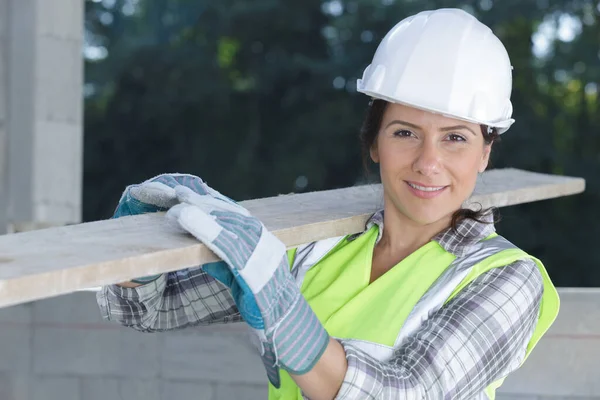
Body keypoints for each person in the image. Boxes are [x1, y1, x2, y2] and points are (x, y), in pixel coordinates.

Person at [97, 8, 559, 400]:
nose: (428, 162)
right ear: (374, 142)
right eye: (405, 133)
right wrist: (137, 245)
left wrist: (285, 312)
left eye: (455, 138)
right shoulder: (317, 245)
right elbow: (150, 310)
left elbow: (407, 393)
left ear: (484, 153)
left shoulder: (509, 280)